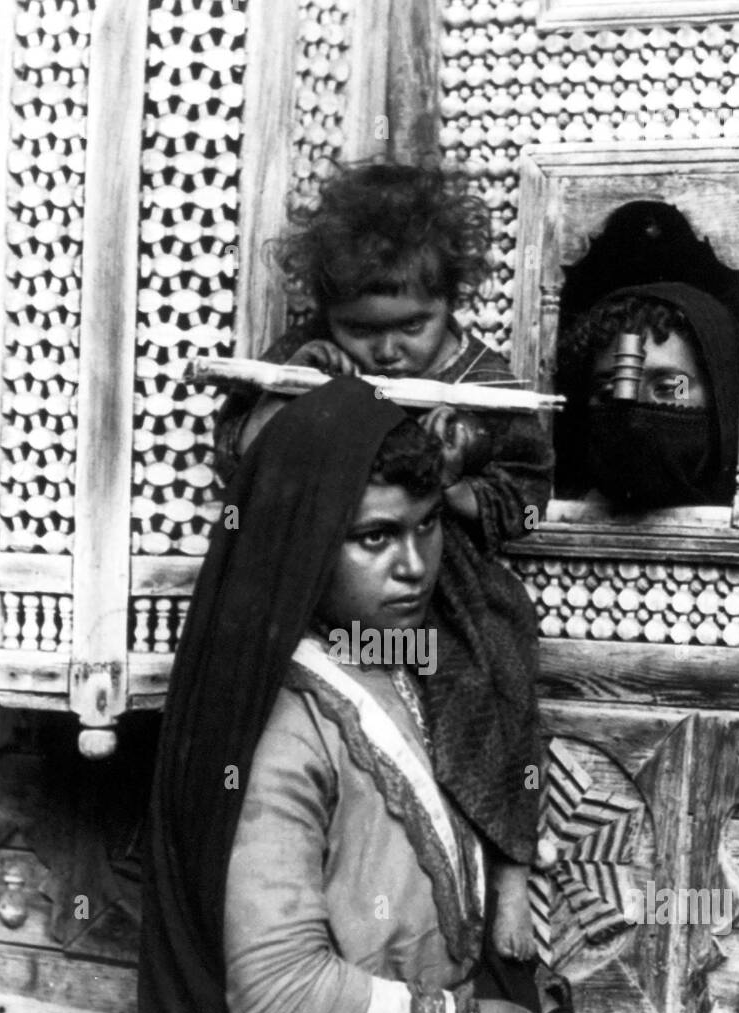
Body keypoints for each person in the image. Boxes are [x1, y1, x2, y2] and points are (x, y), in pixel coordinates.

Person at [116, 379, 600, 1013]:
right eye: (373, 538)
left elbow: (445, 887)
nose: (414, 565)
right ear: (300, 548)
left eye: (423, 527)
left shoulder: (396, 661)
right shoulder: (278, 726)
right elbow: (279, 995)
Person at [214, 160, 555, 963]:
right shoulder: (309, 354)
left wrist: (461, 468)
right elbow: (240, 458)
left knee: (495, 665)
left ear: (450, 307)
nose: (391, 349)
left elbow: (528, 496)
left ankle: (509, 870)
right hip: (317, 577)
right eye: (365, 329)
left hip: (441, 581)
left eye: (414, 326)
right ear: (328, 312)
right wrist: (297, 394)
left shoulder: (479, 380)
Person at [553, 281, 739, 510]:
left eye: (669, 389)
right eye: (608, 392)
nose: (634, 419)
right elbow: (529, 523)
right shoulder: (544, 511)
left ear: (719, 394)